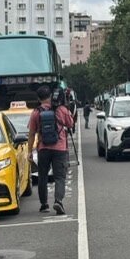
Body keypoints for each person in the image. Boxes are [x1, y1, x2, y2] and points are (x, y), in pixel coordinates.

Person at [27, 84, 75, 215]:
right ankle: (58, 201)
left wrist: (29, 151)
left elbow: (31, 134)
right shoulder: (60, 109)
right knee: (60, 177)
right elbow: (70, 124)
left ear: (38, 98)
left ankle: (44, 204)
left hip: (43, 148)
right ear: (50, 96)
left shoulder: (36, 113)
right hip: (60, 148)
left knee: (42, 176)